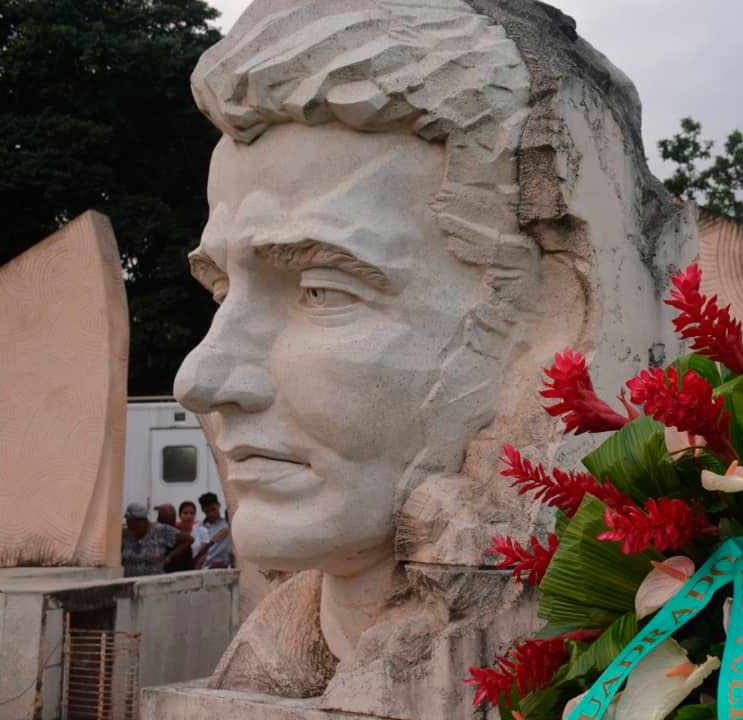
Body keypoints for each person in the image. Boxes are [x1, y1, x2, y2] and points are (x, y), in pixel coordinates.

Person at [173, 0, 686, 713]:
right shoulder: (267, 658)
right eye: (222, 291)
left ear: (550, 320)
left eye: (321, 290)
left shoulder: (692, 661)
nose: (199, 379)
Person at [121, 502, 193, 577]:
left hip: (154, 582)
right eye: (129, 524)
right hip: (130, 582)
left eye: (135, 525)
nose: (132, 529)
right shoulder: (125, 533)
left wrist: (169, 557)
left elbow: (189, 539)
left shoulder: (160, 530)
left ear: (144, 521)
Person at [192, 492, 232, 569]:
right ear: (202, 509)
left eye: (213, 509)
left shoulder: (227, 523)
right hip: (205, 568)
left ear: (219, 505)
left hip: (226, 566)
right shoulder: (197, 528)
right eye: (207, 511)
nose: (211, 513)